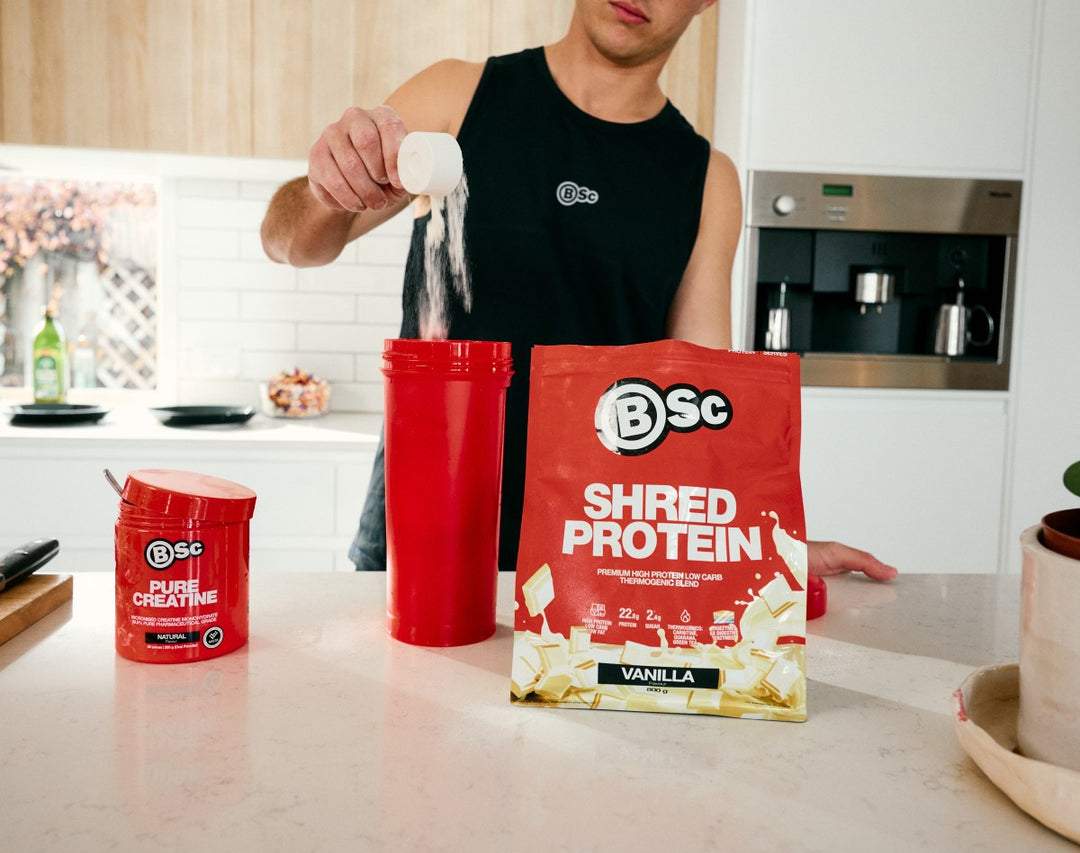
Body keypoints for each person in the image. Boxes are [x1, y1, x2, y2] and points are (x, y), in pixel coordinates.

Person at [261, 0, 898, 583]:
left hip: (599, 553)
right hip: (423, 522)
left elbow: (698, 413)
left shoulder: (706, 179)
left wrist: (766, 545)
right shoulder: (456, 96)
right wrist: (325, 191)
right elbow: (287, 243)